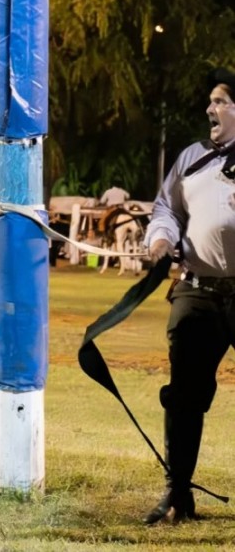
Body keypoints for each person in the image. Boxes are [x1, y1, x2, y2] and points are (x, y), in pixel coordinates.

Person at [141, 67, 235, 525]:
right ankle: (178, 494)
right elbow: (166, 209)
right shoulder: (193, 158)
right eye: (210, 101)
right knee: (183, 397)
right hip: (197, 290)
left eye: (220, 101)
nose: (209, 109)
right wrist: (160, 241)